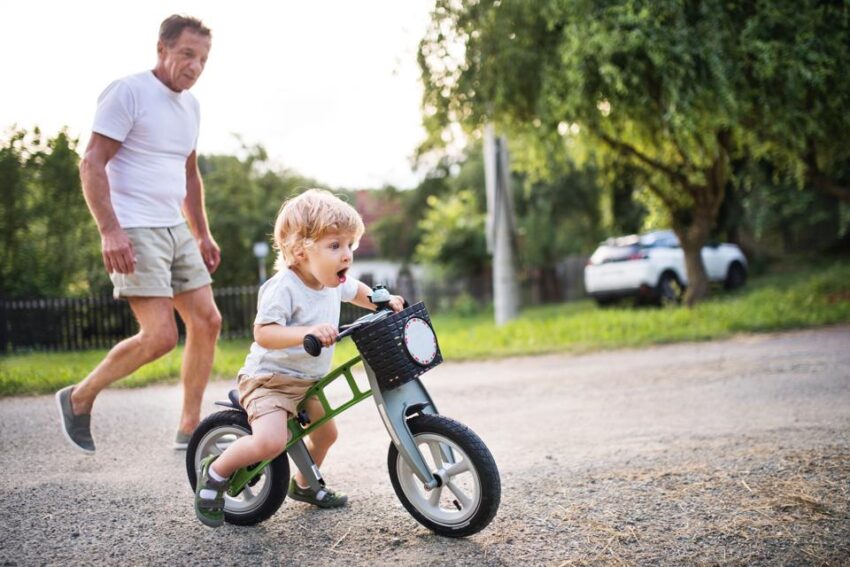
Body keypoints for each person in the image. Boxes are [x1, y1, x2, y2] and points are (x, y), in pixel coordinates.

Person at [56, 15, 222, 454]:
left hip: (174, 226)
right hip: (134, 226)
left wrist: (202, 233)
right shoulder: (128, 92)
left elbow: (189, 175)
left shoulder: (191, 106)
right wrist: (110, 230)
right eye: (187, 54)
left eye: (203, 59)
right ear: (162, 49)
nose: (195, 66)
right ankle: (78, 397)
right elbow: (92, 162)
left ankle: (190, 428)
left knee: (207, 321)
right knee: (161, 335)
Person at [193, 189, 404, 527]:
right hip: (269, 381)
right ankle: (215, 472)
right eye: (334, 246)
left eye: (350, 245)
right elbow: (264, 333)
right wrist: (307, 332)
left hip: (306, 382)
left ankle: (304, 485)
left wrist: (383, 300)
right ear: (300, 250)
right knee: (270, 442)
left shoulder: (334, 282)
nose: (346, 255)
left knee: (326, 435)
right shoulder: (284, 287)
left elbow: (359, 292)